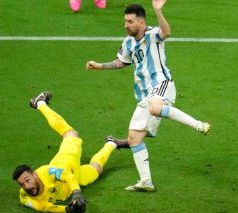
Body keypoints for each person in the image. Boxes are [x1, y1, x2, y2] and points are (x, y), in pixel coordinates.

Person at [85, 0, 210, 192]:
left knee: (155, 107)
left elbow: (166, 32)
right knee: (134, 137)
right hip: (143, 94)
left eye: (130, 21)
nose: (126, 25)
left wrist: (158, 11)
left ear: (141, 22)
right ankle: (146, 181)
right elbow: (121, 62)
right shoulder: (127, 42)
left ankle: (198, 125)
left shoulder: (153, 34)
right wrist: (100, 66)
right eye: (125, 21)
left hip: (161, 84)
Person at [12, 91, 119, 213]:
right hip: (76, 179)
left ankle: (40, 103)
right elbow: (45, 207)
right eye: (22, 184)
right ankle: (112, 143)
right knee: (97, 169)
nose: (27, 186)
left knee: (70, 133)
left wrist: (77, 193)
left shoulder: (46, 172)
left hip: (67, 160)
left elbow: (68, 176)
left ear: (34, 175)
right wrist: (68, 209)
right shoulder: (25, 197)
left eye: (27, 180)